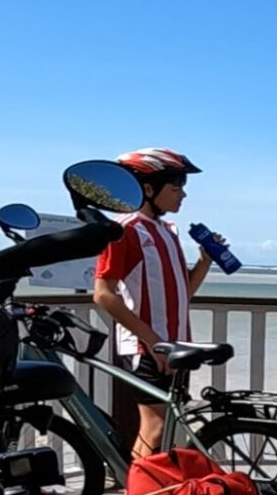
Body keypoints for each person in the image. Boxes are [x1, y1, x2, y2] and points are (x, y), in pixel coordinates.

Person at [93, 148, 220, 458]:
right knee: (155, 428)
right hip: (146, 346)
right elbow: (103, 294)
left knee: (169, 430)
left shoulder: (167, 231)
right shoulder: (125, 230)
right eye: (176, 188)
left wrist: (204, 262)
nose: (183, 195)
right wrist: (152, 341)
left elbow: (182, 293)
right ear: (148, 189)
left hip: (173, 344)